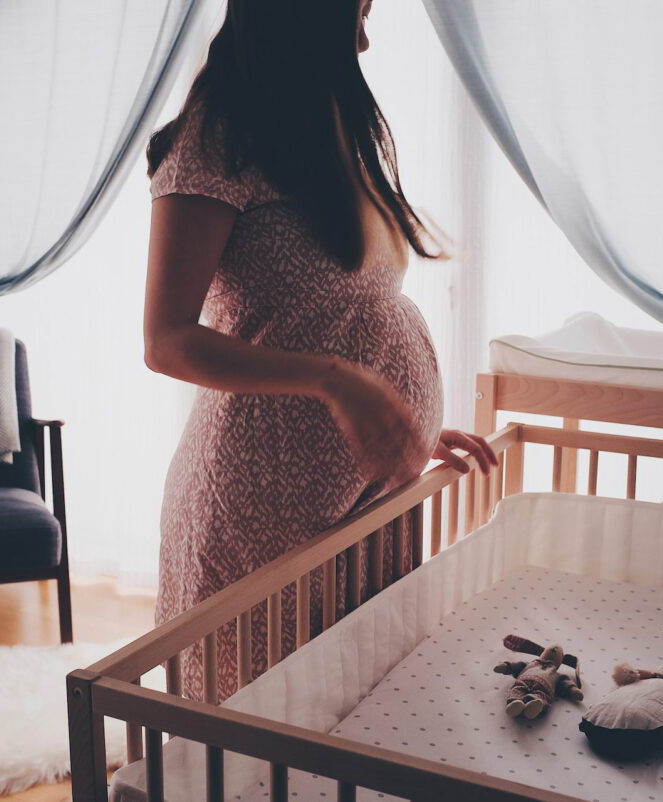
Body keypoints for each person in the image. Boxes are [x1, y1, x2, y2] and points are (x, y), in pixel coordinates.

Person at [143, 0, 497, 701]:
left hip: (356, 506)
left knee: (346, 708)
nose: (366, 32)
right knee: (264, 731)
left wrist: (398, 428)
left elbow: (338, 311)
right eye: (357, 11)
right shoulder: (217, 137)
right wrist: (339, 383)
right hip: (258, 512)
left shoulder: (329, 129)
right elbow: (166, 339)